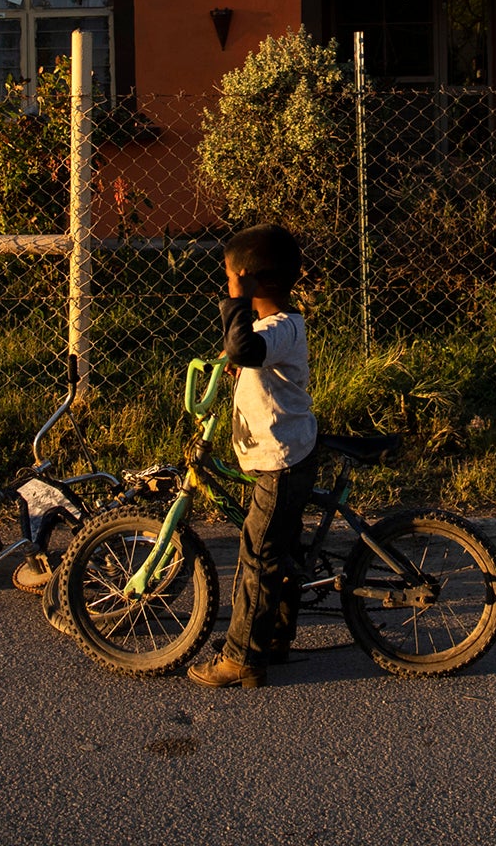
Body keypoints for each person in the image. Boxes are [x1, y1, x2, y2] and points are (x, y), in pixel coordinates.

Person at [187, 222, 317, 690]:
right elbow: (244, 350)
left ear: (250, 280)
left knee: (258, 555)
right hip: (281, 455)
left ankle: (242, 658)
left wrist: (235, 302)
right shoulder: (271, 328)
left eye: (229, 277)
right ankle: (275, 639)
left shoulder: (281, 326)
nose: (226, 284)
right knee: (279, 552)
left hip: (281, 462)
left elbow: (245, 347)